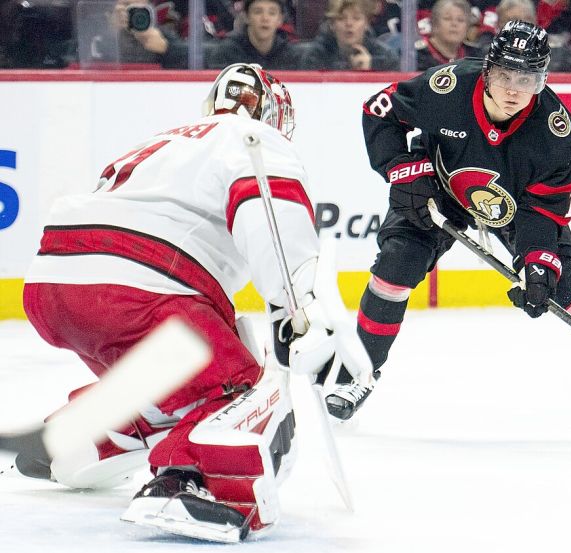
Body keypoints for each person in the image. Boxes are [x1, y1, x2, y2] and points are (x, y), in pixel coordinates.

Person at [17, 63, 369, 542]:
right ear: (276, 117)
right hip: (139, 286)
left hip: (53, 285)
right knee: (237, 390)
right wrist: (299, 309)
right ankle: (194, 483)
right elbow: (267, 209)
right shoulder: (251, 136)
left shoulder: (162, 142)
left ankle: (75, 441)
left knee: (176, 379)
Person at [324, 20, 571, 438]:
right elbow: (380, 111)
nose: (514, 89)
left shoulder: (556, 132)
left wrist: (537, 262)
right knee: (396, 264)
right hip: (439, 188)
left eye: (527, 79)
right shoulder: (447, 86)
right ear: (487, 69)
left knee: (565, 287)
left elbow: (545, 210)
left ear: (542, 79)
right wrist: (402, 170)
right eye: (506, 75)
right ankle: (357, 373)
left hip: (517, 207)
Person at [299, 0, 399, 71]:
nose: (349, 24)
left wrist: (372, 68)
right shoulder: (314, 56)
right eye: (341, 18)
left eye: (356, 18)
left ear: (367, 23)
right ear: (332, 24)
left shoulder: (385, 57)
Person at [206, 0, 300, 69]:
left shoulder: (290, 55)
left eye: (272, 13)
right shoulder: (227, 52)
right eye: (258, 12)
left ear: (280, 19)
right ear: (246, 16)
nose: (265, 18)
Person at [415, 0, 481, 70]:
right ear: (434, 22)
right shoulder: (416, 55)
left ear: (467, 26)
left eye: (460, 20)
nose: (454, 24)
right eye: (447, 18)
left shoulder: (476, 56)